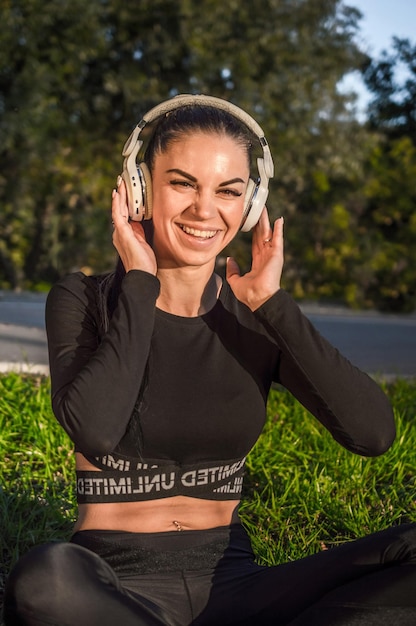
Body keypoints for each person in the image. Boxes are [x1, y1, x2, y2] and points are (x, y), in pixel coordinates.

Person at [4, 94, 416, 626]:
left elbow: (373, 434)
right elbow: (97, 431)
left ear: (249, 205)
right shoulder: (84, 300)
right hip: (116, 591)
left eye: (228, 190)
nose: (205, 209)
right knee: (45, 578)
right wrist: (139, 282)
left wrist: (273, 307)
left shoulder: (254, 317)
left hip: (236, 583)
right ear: (139, 189)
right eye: (182, 183)